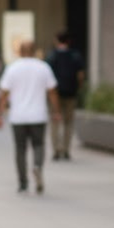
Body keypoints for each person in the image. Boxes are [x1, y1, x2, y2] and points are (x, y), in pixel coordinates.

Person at [0, 40, 61, 194]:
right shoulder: (43, 67)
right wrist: (56, 111)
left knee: (20, 149)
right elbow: (52, 92)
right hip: (38, 115)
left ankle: (23, 183)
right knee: (38, 145)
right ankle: (37, 166)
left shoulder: (13, 68)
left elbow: (3, 93)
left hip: (18, 116)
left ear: (19, 52)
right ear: (35, 51)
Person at [46, 30, 85, 160]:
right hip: (71, 93)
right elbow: (80, 75)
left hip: (55, 94)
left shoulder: (52, 56)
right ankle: (66, 149)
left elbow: (47, 77)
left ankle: (56, 150)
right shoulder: (75, 55)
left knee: (55, 122)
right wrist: (79, 88)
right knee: (68, 123)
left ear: (57, 40)